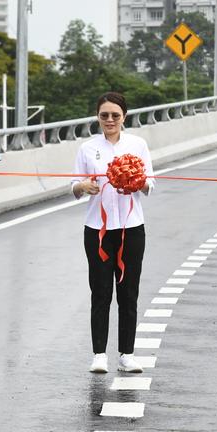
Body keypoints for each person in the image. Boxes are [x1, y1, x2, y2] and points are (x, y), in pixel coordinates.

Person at [71, 92, 154, 374]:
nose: (109, 120)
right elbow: (74, 184)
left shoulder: (138, 145)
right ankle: (99, 354)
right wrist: (83, 187)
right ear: (98, 117)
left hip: (131, 229)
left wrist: (136, 182)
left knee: (128, 293)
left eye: (115, 115)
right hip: (97, 230)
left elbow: (150, 184)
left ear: (124, 117)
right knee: (100, 291)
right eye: (104, 115)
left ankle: (127, 354)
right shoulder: (87, 148)